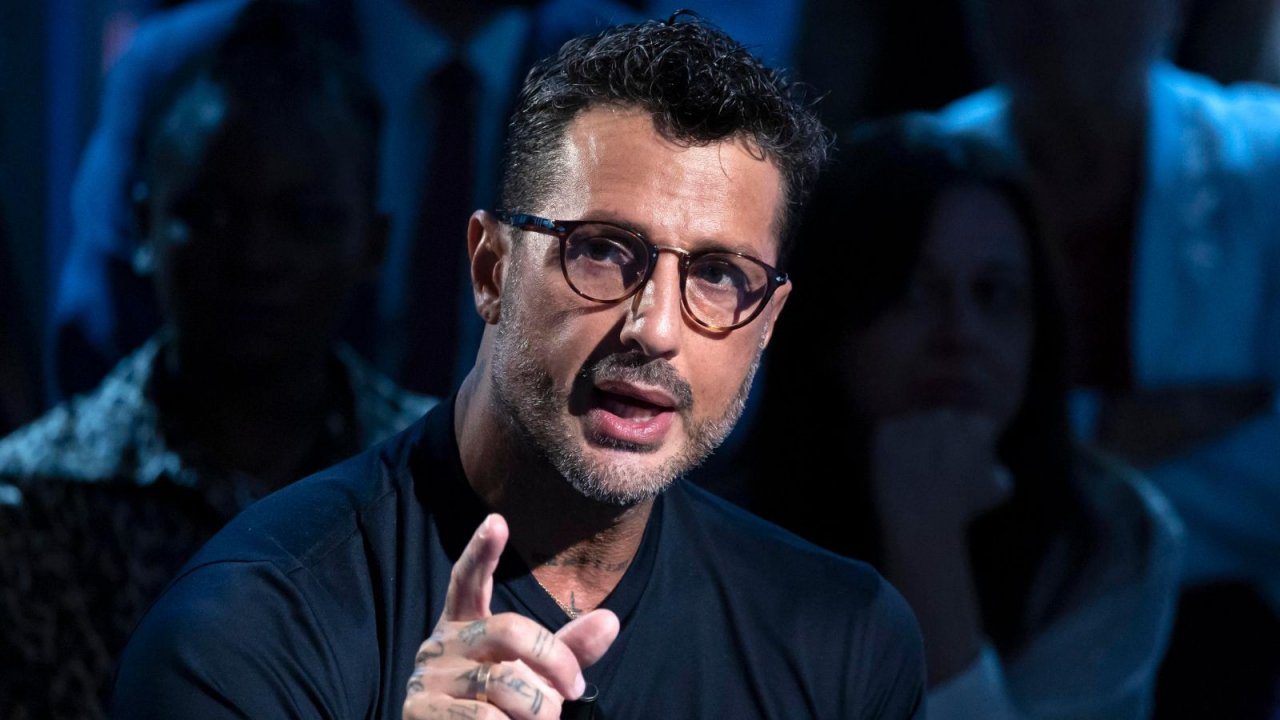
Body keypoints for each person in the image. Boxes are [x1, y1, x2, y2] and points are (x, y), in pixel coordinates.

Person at [109, 14, 926, 720]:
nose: (655, 329)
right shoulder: (247, 630)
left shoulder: (843, 641)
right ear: (491, 269)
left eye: (717, 274)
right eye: (603, 251)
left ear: (768, 321)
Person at [0, 8, 439, 715]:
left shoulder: (439, 477)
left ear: (372, 242)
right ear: (143, 227)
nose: (254, 257)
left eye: (303, 219)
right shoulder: (35, 499)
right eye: (209, 213)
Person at [749, 117, 1183, 718]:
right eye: (913, 292)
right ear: (833, 321)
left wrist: (926, 541)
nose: (961, 334)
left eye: (995, 294)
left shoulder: (1108, 536)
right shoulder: (716, 512)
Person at [935, 0, 1280, 714]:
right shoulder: (925, 172)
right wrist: (1116, 426)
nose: (1058, 15)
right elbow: (889, 448)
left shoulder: (1264, 165)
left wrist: (1032, 460)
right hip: (989, 633)